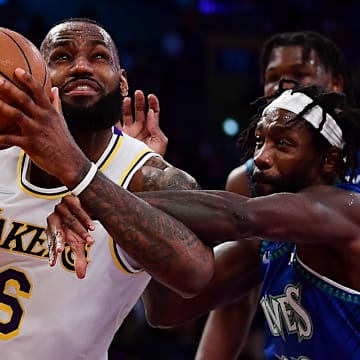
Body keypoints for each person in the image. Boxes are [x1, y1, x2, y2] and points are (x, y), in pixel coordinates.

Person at [53, 82, 360, 358]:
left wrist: (103, 200)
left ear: (329, 159)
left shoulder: (349, 208)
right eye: (259, 141)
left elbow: (239, 216)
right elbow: (168, 309)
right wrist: (132, 187)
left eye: (283, 144)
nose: (261, 158)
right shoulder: (267, 243)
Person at [0, 18, 215, 360]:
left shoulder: (145, 178)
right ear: (38, 74)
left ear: (123, 82)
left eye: (99, 57)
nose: (81, 66)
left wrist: (83, 176)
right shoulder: (4, 154)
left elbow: (194, 276)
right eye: (61, 57)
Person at [198, 30, 359, 360]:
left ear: (337, 84)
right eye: (273, 78)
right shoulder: (249, 180)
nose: (284, 87)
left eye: (300, 75)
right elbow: (234, 304)